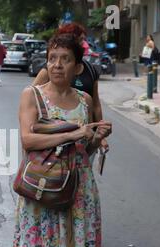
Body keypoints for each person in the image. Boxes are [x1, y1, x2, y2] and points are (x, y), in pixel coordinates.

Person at [12, 33, 112, 247]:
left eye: (65, 59)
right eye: (52, 59)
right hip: (40, 187)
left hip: (78, 189)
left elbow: (85, 151)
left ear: (77, 67)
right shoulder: (31, 95)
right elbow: (28, 140)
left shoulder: (85, 101)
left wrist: (95, 139)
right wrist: (72, 134)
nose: (57, 65)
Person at [33, 22, 109, 152]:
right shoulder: (49, 71)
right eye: (80, 40)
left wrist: (99, 136)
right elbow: (34, 101)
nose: (84, 44)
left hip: (81, 145)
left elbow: (96, 104)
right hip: (48, 153)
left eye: (83, 40)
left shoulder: (90, 70)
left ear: (76, 67)